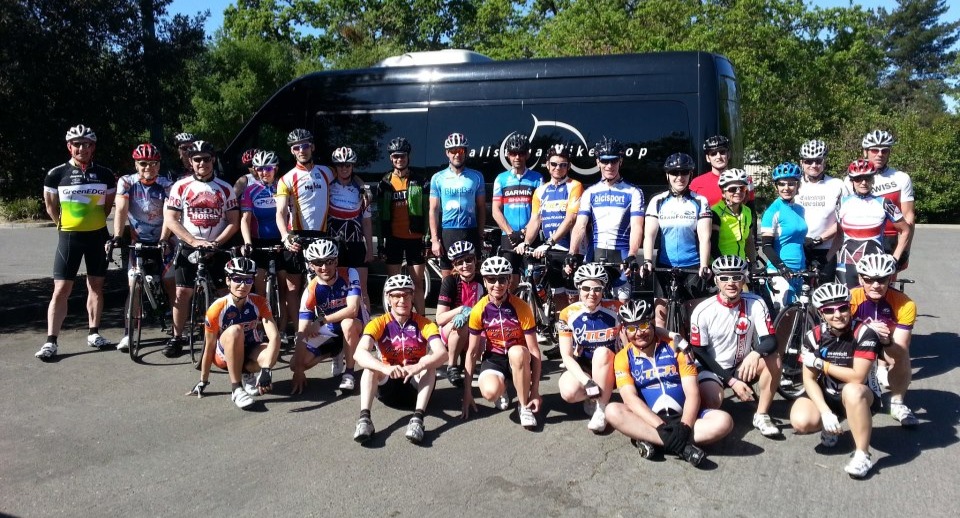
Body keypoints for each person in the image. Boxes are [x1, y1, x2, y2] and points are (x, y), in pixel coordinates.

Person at [607, 299, 734, 465]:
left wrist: (685, 427)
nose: (639, 333)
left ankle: (651, 439)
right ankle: (681, 447)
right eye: (631, 328)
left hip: (684, 417)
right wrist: (661, 427)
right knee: (612, 410)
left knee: (724, 421)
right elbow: (630, 398)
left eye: (644, 325)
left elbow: (692, 393)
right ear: (624, 330)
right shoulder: (623, 357)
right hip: (650, 420)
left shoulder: (675, 348)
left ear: (653, 323)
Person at [36, 125, 117, 360]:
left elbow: (108, 205)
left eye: (87, 144)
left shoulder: (104, 173)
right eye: (77, 144)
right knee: (61, 289)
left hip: (98, 235)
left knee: (96, 286)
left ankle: (94, 332)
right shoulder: (56, 174)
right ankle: (51, 341)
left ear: (93, 147)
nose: (82, 148)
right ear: (69, 147)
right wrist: (61, 224)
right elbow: (51, 205)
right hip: (70, 237)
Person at [789, 282, 882, 478]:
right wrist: (824, 412)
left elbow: (858, 376)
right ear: (821, 313)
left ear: (850, 307)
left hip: (861, 395)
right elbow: (808, 379)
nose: (837, 314)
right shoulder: (813, 336)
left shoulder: (865, 333)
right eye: (829, 310)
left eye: (842, 308)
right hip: (829, 393)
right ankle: (832, 421)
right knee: (801, 421)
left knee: (852, 390)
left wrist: (823, 364)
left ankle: (863, 454)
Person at [688, 255, 781, 437]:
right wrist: (732, 382)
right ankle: (700, 419)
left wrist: (755, 354)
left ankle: (761, 414)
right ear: (716, 280)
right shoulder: (703, 310)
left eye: (736, 277)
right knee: (714, 401)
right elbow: (699, 351)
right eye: (724, 278)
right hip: (711, 369)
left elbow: (771, 340)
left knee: (774, 359)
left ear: (744, 278)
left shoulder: (755, 302)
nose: (730, 283)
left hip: (741, 365)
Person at [163, 140, 240, 358]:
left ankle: (226, 336)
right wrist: (192, 241)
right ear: (190, 161)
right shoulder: (181, 187)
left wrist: (216, 243)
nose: (202, 163)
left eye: (206, 158)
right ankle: (177, 338)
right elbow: (170, 218)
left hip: (216, 247)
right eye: (197, 159)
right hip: (190, 246)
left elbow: (234, 221)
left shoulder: (225, 188)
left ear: (213, 160)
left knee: (225, 293)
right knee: (182, 292)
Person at [352, 275, 449, 444]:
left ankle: (418, 420)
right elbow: (359, 353)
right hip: (388, 387)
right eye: (396, 295)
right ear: (388, 298)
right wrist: (385, 368)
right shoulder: (378, 323)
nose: (402, 300)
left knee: (429, 365)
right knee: (370, 367)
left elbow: (442, 353)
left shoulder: (425, 323)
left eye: (406, 295)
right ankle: (364, 420)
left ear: (413, 297)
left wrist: (419, 366)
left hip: (415, 387)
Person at [186, 257, 281, 409]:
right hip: (224, 355)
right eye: (237, 279)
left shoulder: (260, 302)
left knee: (271, 351)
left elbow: (274, 336)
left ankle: (248, 376)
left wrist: (266, 369)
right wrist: (203, 381)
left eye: (248, 280)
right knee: (236, 330)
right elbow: (209, 346)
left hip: (249, 348)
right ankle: (236, 389)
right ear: (228, 280)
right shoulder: (217, 308)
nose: (243, 285)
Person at [461, 257, 541, 429]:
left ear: (509, 280)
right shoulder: (479, 310)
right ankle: (502, 386)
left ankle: (523, 405)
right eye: (491, 279)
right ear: (484, 280)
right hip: (494, 356)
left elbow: (534, 350)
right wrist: (467, 392)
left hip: (519, 356)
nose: (497, 284)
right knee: (490, 393)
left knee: (517, 353)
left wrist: (535, 391)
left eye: (502, 279)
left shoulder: (521, 307)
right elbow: (472, 352)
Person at [111, 143, 175, 352]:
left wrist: (165, 238)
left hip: (162, 239)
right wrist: (117, 236)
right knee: (134, 287)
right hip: (137, 241)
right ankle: (129, 334)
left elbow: (169, 213)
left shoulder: (166, 183)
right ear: (136, 164)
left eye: (153, 163)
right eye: (143, 163)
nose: (148, 167)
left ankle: (176, 332)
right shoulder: (126, 182)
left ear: (159, 164)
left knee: (169, 283)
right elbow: (120, 209)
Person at [567, 137, 645, 301]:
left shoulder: (633, 192)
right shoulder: (590, 192)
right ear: (598, 162)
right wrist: (572, 252)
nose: (609, 166)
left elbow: (637, 227)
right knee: (589, 303)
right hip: (595, 255)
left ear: (620, 161)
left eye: (614, 161)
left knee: (623, 305)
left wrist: (632, 254)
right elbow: (580, 225)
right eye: (605, 161)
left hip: (622, 256)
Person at [275, 128, 335, 337]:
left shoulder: (327, 172)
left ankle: (324, 327)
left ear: (312, 147)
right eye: (296, 147)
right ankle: (298, 330)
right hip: (296, 235)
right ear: (292, 151)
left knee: (323, 283)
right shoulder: (286, 178)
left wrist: (364, 188)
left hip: (320, 236)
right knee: (293, 286)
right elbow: (281, 211)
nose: (302, 150)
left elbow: (350, 176)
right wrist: (285, 235)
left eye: (305, 145)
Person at [641, 152, 712, 327]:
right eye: (674, 173)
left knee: (695, 320)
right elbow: (649, 235)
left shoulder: (700, 201)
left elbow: (704, 237)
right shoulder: (657, 201)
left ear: (690, 175)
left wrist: (704, 265)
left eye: (684, 172)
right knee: (660, 318)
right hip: (665, 265)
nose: (679, 177)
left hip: (692, 266)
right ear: (667, 175)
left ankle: (692, 353)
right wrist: (648, 261)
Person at [850, 253, 918, 427]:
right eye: (869, 279)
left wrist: (886, 340)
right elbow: (836, 336)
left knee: (902, 358)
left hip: (886, 342)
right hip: (856, 341)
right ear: (860, 278)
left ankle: (897, 403)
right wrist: (864, 330)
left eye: (881, 280)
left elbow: (901, 348)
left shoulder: (905, 304)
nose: (875, 285)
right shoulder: (850, 298)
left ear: (890, 279)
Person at [290, 239, 364, 394]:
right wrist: (298, 371)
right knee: (296, 362)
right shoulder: (311, 290)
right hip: (332, 329)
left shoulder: (349, 273)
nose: (324, 267)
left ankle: (349, 372)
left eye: (329, 261)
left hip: (359, 326)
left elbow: (352, 310)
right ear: (311, 265)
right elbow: (302, 331)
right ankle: (336, 351)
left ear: (336, 261)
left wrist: (321, 321)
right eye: (318, 262)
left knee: (347, 323)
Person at [517, 144, 583, 313]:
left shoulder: (575, 186)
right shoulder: (540, 191)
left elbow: (571, 219)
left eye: (562, 164)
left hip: (570, 249)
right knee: (558, 293)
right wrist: (526, 242)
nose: (558, 168)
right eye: (554, 164)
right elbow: (535, 220)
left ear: (568, 166)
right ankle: (563, 330)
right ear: (547, 165)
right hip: (551, 250)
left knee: (574, 296)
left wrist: (549, 242)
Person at [557, 264, 621, 433]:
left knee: (601, 352)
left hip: (610, 365)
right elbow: (566, 356)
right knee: (568, 391)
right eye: (586, 288)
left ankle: (601, 409)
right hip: (585, 365)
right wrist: (587, 382)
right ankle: (593, 398)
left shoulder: (616, 308)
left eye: (597, 289)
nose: (592, 294)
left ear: (603, 289)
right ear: (578, 287)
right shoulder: (567, 314)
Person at [833, 160, 912, 288]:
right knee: (847, 304)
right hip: (845, 264)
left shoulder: (885, 203)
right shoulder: (841, 203)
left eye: (868, 178)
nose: (863, 182)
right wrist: (827, 258)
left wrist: (895, 258)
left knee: (874, 304)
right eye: (858, 179)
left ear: (873, 179)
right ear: (852, 180)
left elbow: (905, 230)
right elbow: (838, 234)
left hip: (875, 264)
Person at [239, 150, 294, 335]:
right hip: (259, 243)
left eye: (268, 168)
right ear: (255, 170)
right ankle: (262, 328)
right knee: (260, 291)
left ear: (275, 168)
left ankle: (284, 329)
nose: (265, 172)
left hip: (281, 242)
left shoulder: (283, 186)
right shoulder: (250, 191)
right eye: (260, 169)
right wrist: (247, 243)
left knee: (285, 290)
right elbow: (245, 219)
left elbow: (292, 215)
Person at [377, 137, 429, 314]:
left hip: (415, 238)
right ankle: (393, 322)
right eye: (396, 156)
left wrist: (427, 239)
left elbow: (428, 210)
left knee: (418, 283)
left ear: (408, 157)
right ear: (391, 158)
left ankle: (421, 321)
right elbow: (380, 216)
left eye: (403, 156)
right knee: (394, 285)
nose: (399, 159)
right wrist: (381, 244)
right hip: (393, 239)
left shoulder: (419, 181)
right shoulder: (384, 183)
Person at [849, 130, 915, 267]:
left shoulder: (901, 178)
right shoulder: (853, 178)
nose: (880, 154)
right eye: (874, 150)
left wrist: (905, 250)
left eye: (884, 151)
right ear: (865, 151)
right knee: (858, 285)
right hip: (860, 237)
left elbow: (908, 215)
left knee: (886, 285)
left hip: (890, 239)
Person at [429, 133, 486, 278]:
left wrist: (480, 236)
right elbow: (434, 210)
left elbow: (481, 208)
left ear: (465, 152)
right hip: (448, 232)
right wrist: (435, 240)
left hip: (470, 231)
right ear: (447, 153)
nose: (457, 155)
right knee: (448, 278)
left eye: (460, 150)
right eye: (453, 151)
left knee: (474, 277)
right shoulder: (437, 178)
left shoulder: (477, 176)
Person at [491, 133, 542, 288]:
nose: (517, 157)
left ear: (527, 154)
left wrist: (526, 231)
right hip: (509, 236)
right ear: (508, 155)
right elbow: (495, 210)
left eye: (521, 153)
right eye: (513, 153)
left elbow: (539, 211)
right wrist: (510, 232)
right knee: (509, 281)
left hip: (530, 235)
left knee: (534, 279)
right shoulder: (501, 178)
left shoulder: (537, 178)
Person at [328, 146, 374, 309]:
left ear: (352, 166)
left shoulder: (362, 190)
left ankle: (368, 329)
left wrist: (369, 249)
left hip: (356, 243)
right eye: (340, 165)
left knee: (362, 290)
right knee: (337, 290)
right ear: (335, 167)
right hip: (335, 243)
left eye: (347, 165)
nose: (344, 168)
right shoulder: (328, 186)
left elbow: (367, 222)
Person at [434, 241, 485, 387]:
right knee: (461, 323)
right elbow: (439, 318)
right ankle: (452, 366)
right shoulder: (450, 281)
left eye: (468, 260)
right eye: (459, 263)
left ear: (475, 260)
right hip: (452, 329)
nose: (465, 265)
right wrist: (461, 309)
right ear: (454, 266)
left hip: (477, 329)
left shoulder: (483, 280)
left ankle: (477, 364)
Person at [760, 162, 808, 312]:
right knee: (784, 315)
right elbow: (766, 246)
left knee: (801, 312)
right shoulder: (772, 211)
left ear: (798, 185)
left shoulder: (800, 209)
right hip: (780, 271)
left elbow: (798, 240)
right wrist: (781, 267)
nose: (786, 188)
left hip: (799, 270)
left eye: (791, 184)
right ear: (776, 186)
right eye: (782, 184)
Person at [795, 140, 842, 285]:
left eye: (818, 161)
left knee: (824, 296)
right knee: (799, 295)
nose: (814, 165)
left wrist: (820, 239)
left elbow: (843, 220)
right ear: (802, 162)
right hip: (799, 247)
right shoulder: (793, 184)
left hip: (826, 248)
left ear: (824, 161)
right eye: (809, 161)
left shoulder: (837, 185)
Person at [690, 135, 754, 207]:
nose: (718, 157)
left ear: (728, 154)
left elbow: (751, 211)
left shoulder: (746, 179)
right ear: (708, 158)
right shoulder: (696, 183)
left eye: (722, 152)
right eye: (713, 154)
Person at [710, 168, 756, 262]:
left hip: (741, 266)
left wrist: (754, 263)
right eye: (732, 189)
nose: (738, 192)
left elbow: (749, 242)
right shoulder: (715, 212)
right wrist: (725, 265)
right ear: (723, 193)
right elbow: (712, 246)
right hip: (720, 267)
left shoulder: (747, 211)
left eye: (742, 188)